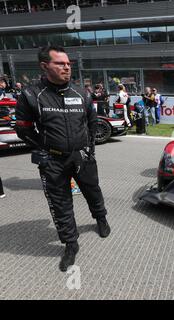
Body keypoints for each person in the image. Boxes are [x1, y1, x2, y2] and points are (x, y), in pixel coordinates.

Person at [14, 45, 111, 272]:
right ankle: (70, 243)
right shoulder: (30, 95)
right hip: (52, 161)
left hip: (81, 157)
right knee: (60, 203)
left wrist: (89, 149)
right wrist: (44, 148)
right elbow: (23, 129)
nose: (67, 67)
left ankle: (101, 219)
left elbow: (92, 122)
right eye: (60, 63)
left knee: (92, 190)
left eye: (68, 63)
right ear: (44, 66)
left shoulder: (81, 93)